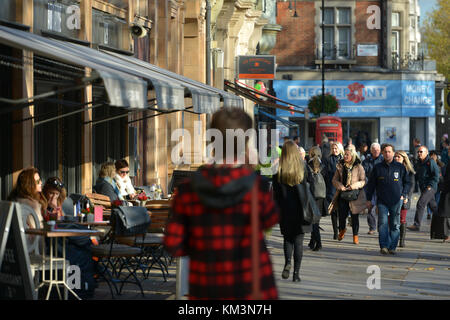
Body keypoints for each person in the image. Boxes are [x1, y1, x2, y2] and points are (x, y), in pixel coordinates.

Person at [163, 107, 279, 299]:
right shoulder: (256, 187)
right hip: (251, 287)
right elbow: (270, 220)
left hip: (207, 286)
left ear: (211, 139)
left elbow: (173, 244)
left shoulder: (187, 190)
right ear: (246, 142)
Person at [272, 140, 315, 282]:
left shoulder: (279, 169)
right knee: (298, 242)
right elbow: (312, 185)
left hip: (285, 210)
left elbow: (276, 194)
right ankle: (296, 274)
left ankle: (287, 263)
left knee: (287, 239)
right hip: (301, 210)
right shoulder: (302, 167)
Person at [366, 144, 410, 254]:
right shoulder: (377, 167)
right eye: (385, 151)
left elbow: (407, 182)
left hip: (396, 200)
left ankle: (392, 247)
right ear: (382, 153)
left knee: (395, 225)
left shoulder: (400, 167)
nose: (387, 153)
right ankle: (384, 246)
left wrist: (404, 195)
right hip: (382, 201)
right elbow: (371, 184)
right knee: (383, 224)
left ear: (393, 153)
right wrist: (368, 199)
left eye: (389, 151)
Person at [330, 146, 366, 244]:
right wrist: (340, 185)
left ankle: (355, 235)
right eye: (344, 154)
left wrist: (354, 186)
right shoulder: (340, 165)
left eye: (347, 154)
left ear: (352, 155)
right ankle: (342, 230)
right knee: (342, 215)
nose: (345, 156)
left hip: (355, 194)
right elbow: (334, 180)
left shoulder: (358, 166)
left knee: (354, 216)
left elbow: (363, 181)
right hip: (343, 194)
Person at [7, 167, 47, 254]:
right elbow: (39, 231)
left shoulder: (13, 201)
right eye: (37, 181)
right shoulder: (32, 205)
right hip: (33, 252)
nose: (41, 182)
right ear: (29, 184)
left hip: (12, 252)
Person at [408, 146, 440, 231]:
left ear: (426, 153)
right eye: (418, 152)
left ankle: (416, 225)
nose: (419, 153)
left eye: (421, 152)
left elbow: (436, 175)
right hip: (423, 187)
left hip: (430, 188)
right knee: (433, 207)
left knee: (420, 203)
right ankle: (442, 222)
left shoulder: (430, 162)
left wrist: (430, 185)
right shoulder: (418, 162)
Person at [306, 146, 327, 251]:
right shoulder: (323, 164)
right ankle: (312, 242)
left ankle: (318, 243)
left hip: (312, 194)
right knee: (316, 220)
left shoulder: (308, 164)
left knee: (313, 221)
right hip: (321, 195)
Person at [394, 151, 416, 247]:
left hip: (404, 198)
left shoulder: (409, 171)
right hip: (392, 198)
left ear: (404, 158)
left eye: (398, 157)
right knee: (393, 219)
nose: (396, 158)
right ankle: (393, 239)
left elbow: (411, 186)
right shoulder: (392, 168)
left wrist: (406, 196)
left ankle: (401, 240)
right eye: (395, 157)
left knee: (402, 219)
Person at [323, 141, 344, 239]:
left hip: (343, 188)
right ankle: (335, 231)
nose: (335, 150)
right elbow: (325, 174)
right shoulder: (328, 160)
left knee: (342, 211)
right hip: (331, 188)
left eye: (336, 148)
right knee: (334, 211)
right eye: (333, 149)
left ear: (340, 149)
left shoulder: (344, 159)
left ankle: (341, 229)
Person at [362, 142, 384, 235]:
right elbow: (363, 172)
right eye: (374, 150)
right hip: (370, 186)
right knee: (370, 207)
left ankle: (381, 227)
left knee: (382, 208)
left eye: (378, 150)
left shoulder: (383, 160)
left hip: (381, 187)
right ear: (371, 151)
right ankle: (372, 227)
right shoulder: (366, 160)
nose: (376, 151)